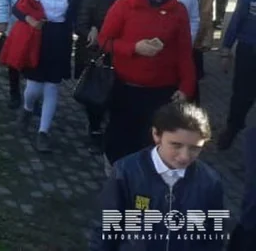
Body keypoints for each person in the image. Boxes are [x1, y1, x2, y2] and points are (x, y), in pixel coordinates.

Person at [98, 0, 197, 164]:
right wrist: (134, 48)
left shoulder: (178, 11)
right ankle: (117, 174)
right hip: (127, 88)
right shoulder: (125, 5)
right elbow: (105, 41)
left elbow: (184, 52)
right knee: (121, 139)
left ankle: (145, 179)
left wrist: (186, 87)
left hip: (162, 91)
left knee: (152, 143)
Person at [91, 102, 225, 251]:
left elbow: (214, 234)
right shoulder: (126, 172)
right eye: (176, 145)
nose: (184, 156)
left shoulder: (210, 182)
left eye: (195, 148)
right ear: (156, 135)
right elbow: (107, 228)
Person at [14, 0, 79, 154]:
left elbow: (75, 16)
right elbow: (17, 9)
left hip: (59, 41)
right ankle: (27, 108)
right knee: (33, 87)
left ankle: (43, 131)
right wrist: (30, 20)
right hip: (38, 39)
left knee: (52, 87)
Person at [76, 0, 121, 154]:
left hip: (119, 48)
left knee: (117, 92)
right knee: (96, 92)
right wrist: (90, 31)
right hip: (96, 51)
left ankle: (114, 129)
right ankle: (95, 129)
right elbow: (80, 24)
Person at [217, 0, 256, 150]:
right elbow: (237, 20)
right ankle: (233, 127)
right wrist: (226, 49)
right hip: (249, 51)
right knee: (241, 95)